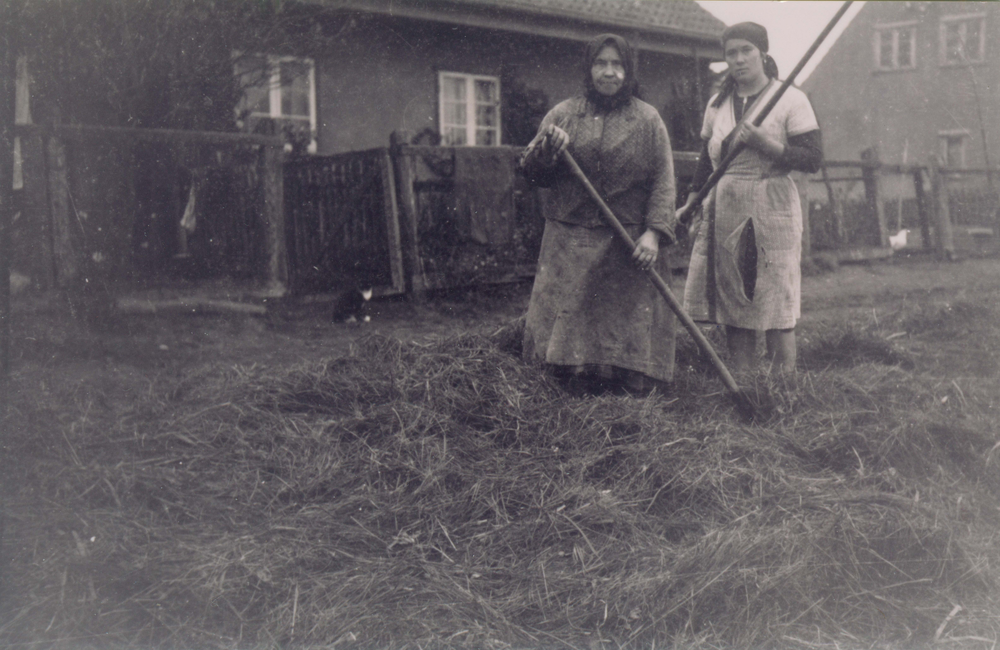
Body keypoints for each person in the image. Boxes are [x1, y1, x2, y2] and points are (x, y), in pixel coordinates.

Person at [519, 33, 677, 396]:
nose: (609, 72)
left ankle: (627, 384)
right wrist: (548, 148)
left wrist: (653, 233)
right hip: (570, 239)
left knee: (624, 321)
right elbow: (531, 171)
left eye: (617, 64)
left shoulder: (648, 120)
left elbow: (664, 181)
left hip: (627, 240)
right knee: (568, 320)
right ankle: (565, 382)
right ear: (588, 69)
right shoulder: (563, 114)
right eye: (600, 63)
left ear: (628, 70)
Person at [678, 22, 822, 374]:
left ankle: (781, 392)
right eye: (731, 53)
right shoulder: (718, 103)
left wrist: (765, 143)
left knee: (775, 303)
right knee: (734, 304)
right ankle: (744, 387)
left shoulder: (790, 98)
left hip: (772, 204)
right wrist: (692, 201)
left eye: (747, 51)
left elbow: (812, 159)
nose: (739, 59)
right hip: (726, 205)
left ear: (763, 54)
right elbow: (705, 160)